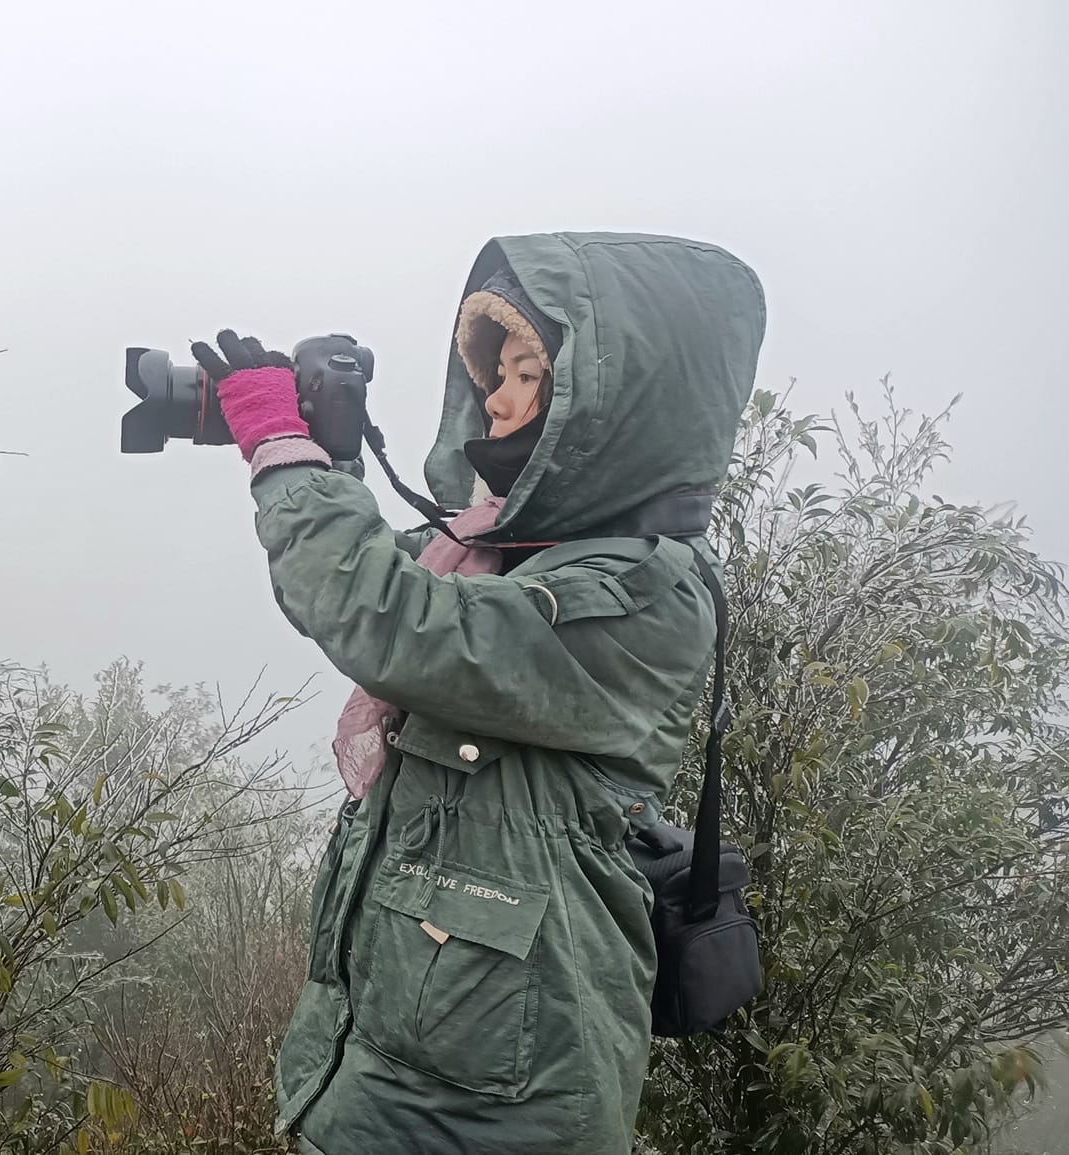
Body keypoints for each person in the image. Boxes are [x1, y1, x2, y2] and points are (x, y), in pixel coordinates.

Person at [195, 232, 765, 1154]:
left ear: (613, 406)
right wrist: (327, 459)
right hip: (377, 1089)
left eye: (528, 372)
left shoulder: (642, 595)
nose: (495, 399)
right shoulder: (505, 547)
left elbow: (393, 623)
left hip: (504, 1114)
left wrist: (282, 453)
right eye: (493, 371)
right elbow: (414, 598)